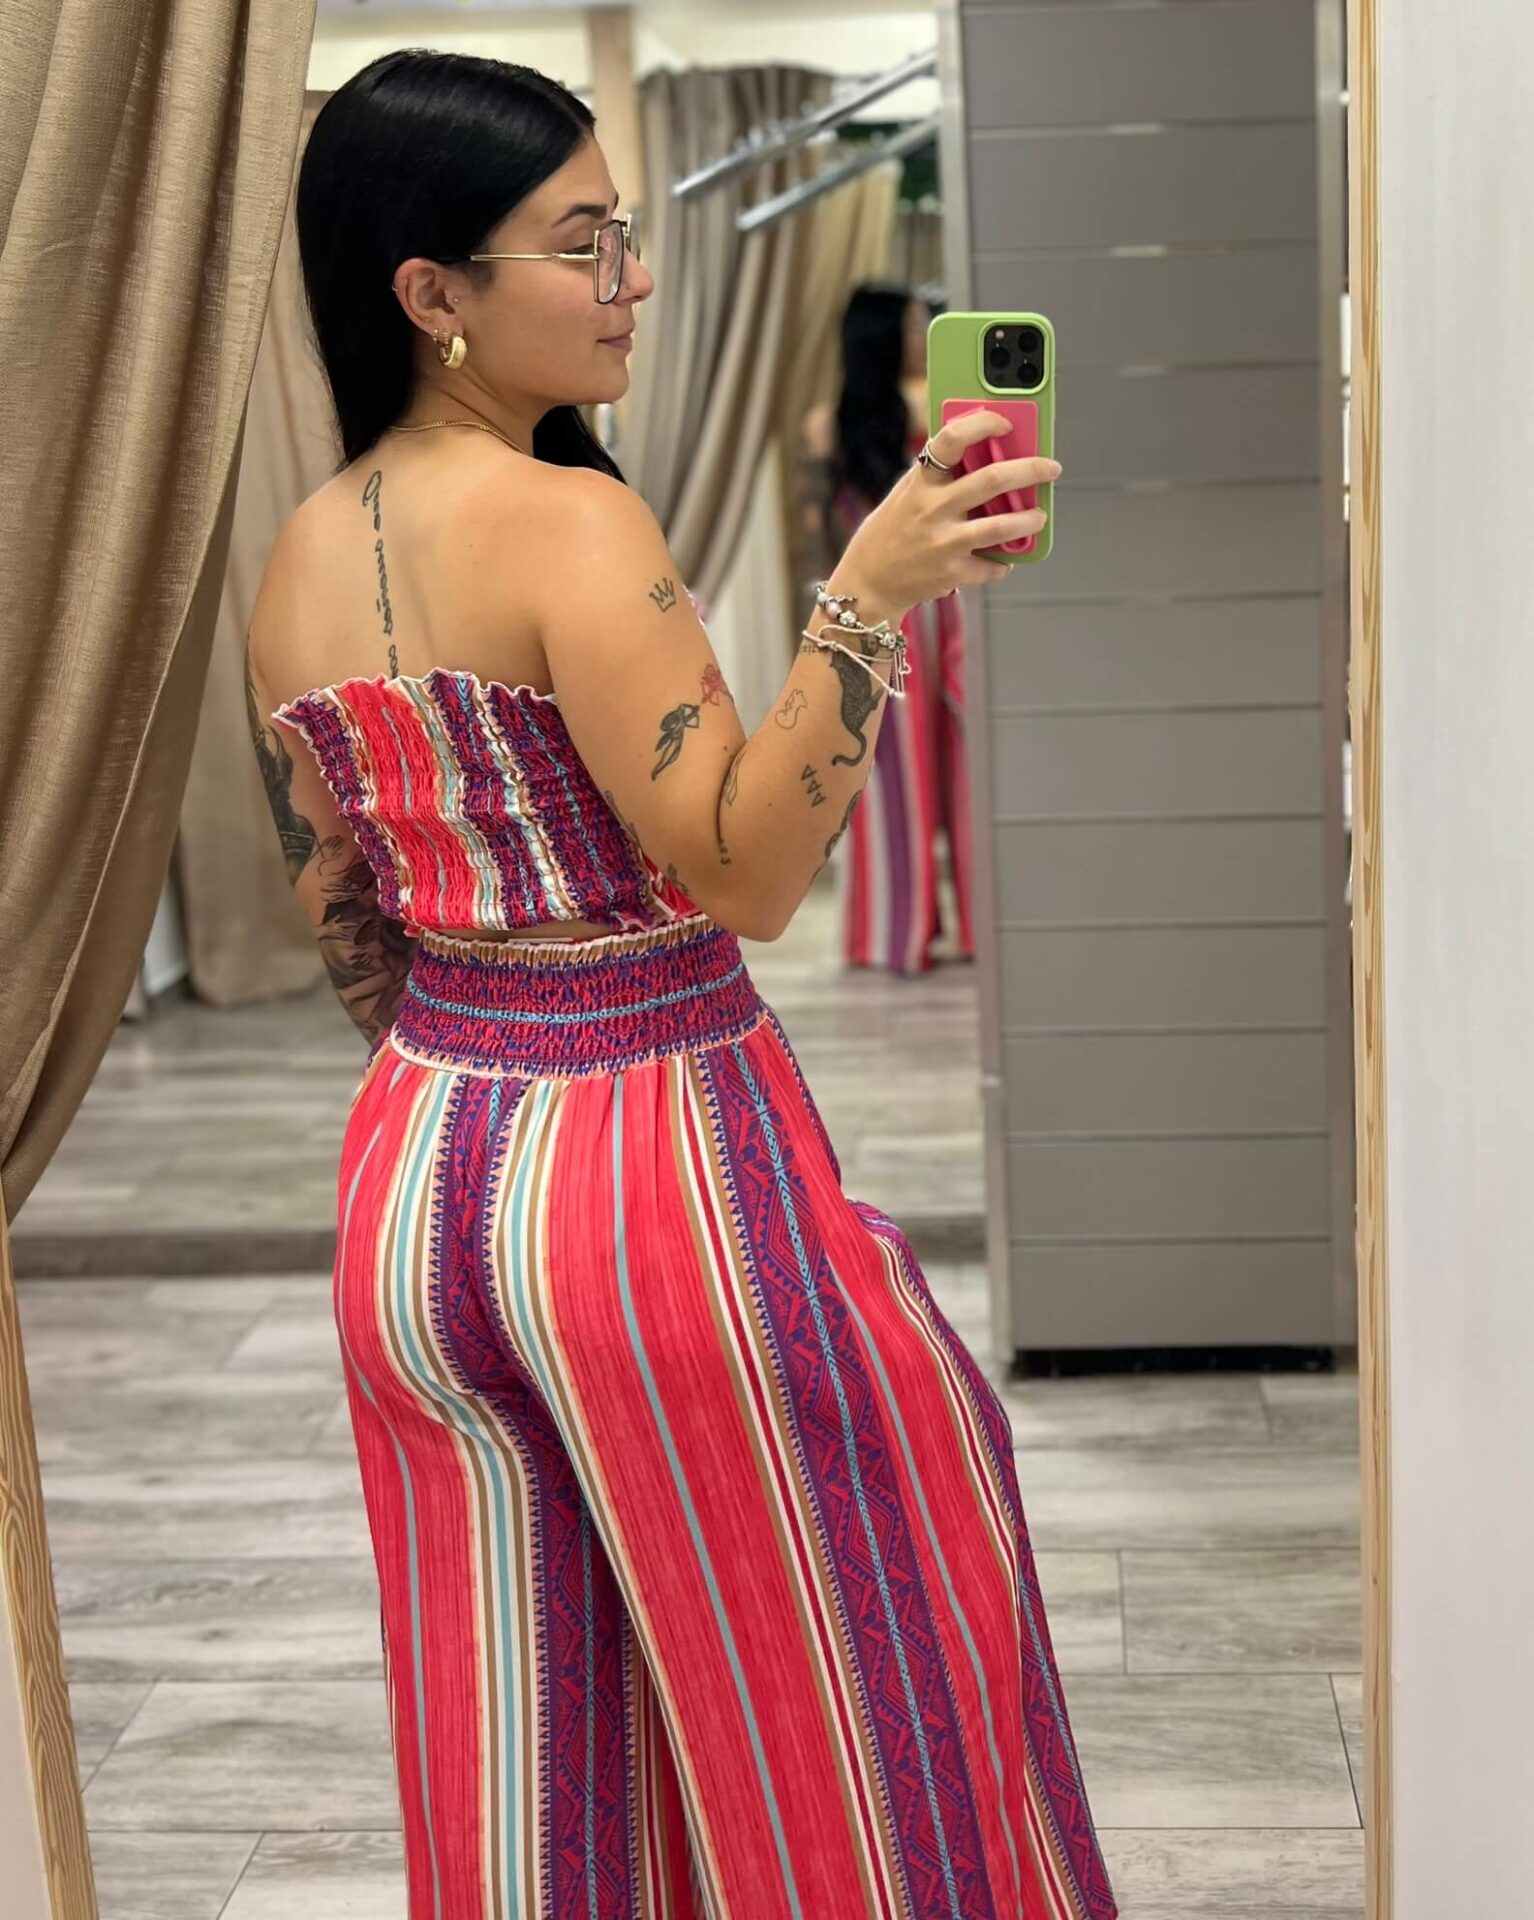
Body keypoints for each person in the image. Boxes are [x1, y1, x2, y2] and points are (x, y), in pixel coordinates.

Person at [243, 49, 1112, 1920]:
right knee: (854, 1691)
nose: (630, 277)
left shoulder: (295, 558)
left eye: (622, 232)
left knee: (530, 1759)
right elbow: (748, 870)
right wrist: (864, 598)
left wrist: (483, 1058)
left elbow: (348, 912)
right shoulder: (569, 520)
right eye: (583, 244)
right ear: (431, 293)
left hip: (412, 1183)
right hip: (649, 1170)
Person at [798, 284, 973, 974]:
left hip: (900, 607)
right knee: (925, 769)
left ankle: (897, 933)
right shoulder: (899, 416)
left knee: (909, 773)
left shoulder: (843, 424)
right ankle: (942, 930)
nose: (919, 336)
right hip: (908, 608)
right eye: (909, 326)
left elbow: (821, 529)